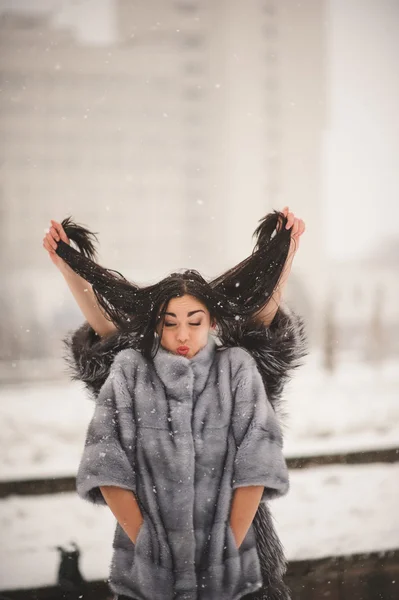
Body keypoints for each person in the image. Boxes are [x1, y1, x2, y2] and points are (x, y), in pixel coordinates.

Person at [42, 208, 307, 600]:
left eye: (194, 320)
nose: (182, 333)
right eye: (169, 321)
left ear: (212, 322)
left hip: (244, 574)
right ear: (156, 325)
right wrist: (152, 550)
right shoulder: (131, 373)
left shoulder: (238, 370)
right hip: (151, 582)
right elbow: (106, 465)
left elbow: (257, 463)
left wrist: (284, 253)